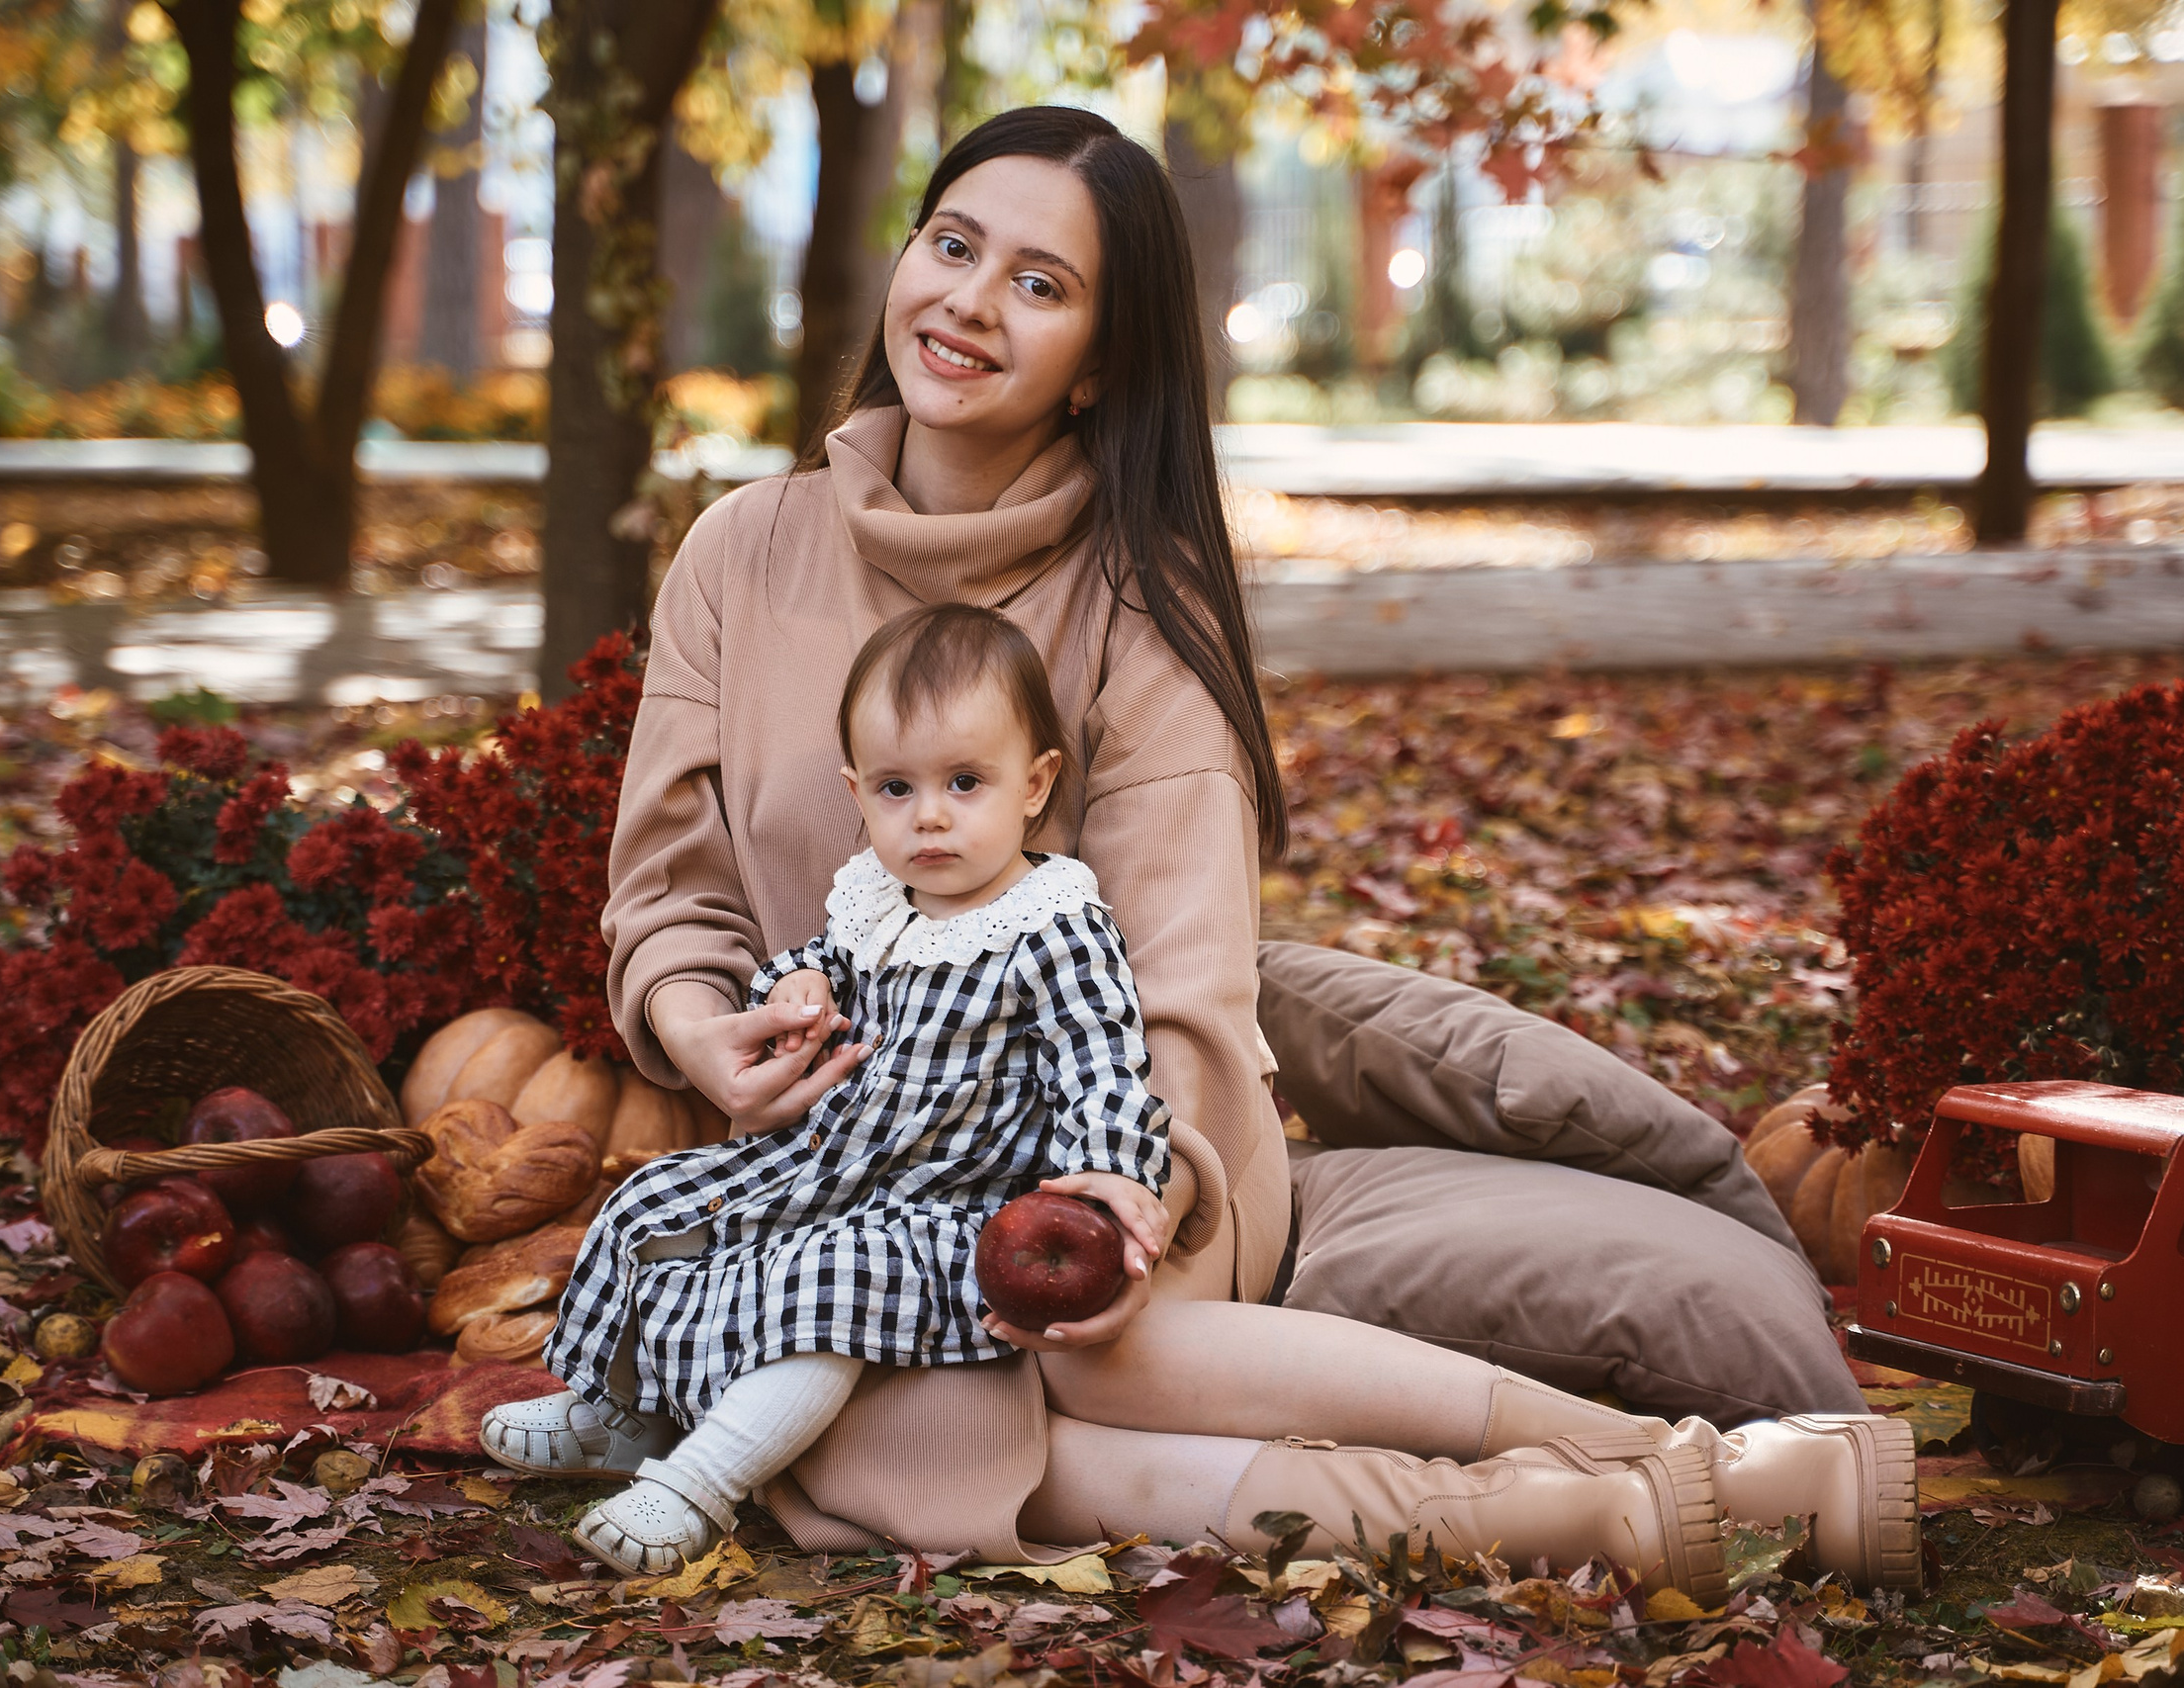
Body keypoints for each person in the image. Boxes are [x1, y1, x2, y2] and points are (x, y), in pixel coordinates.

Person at [499, 103, 1918, 1597]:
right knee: (871, 1418)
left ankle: (1630, 1485)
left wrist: (1125, 1204)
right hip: (830, 1177)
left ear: (1102, 360)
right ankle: (1655, 1497)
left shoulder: (1134, 599)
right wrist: (705, 1040)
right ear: (907, 255)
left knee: (1001, 1384)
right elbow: (669, 898)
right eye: (955, 243)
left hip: (1101, 1149)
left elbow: (1180, 986)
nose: (973, 301)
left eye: (1041, 283)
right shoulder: (744, 550)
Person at [487, 604, 1180, 1573]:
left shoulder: (1052, 921)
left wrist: (1108, 1179)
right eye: (897, 787)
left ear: (1035, 785)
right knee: (653, 1202)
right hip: (826, 1165)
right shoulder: (873, 899)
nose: (929, 814)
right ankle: (617, 1416)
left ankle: (697, 1486)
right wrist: (793, 989)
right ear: (858, 790)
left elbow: (1100, 1063)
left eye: (964, 783)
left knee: (832, 1286)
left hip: (945, 1207)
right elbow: (815, 976)